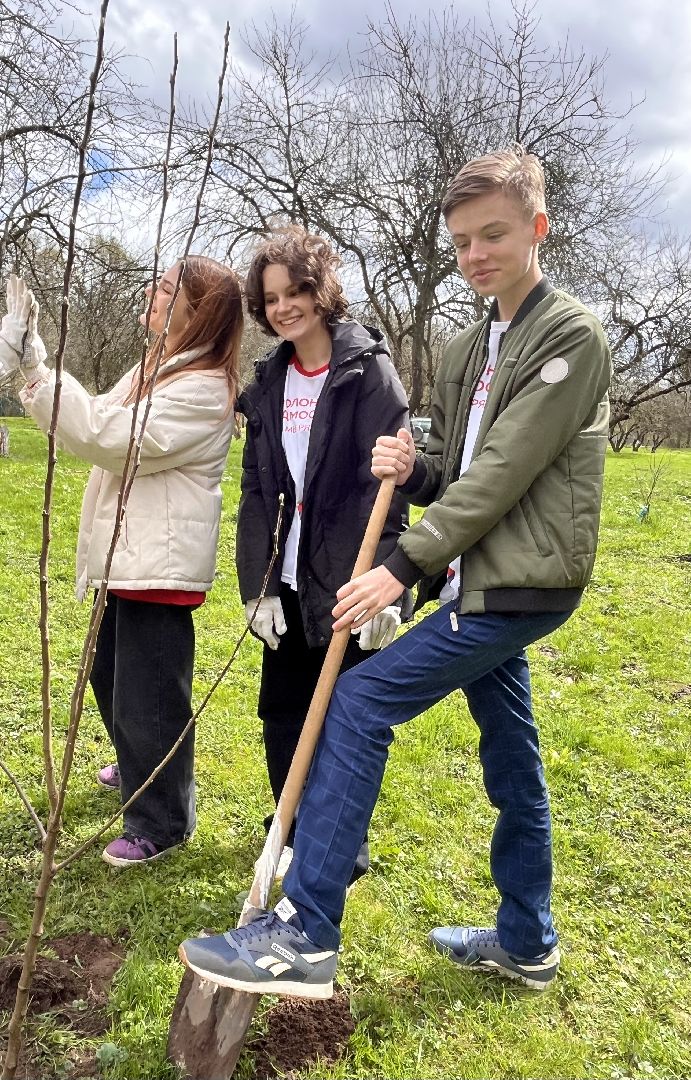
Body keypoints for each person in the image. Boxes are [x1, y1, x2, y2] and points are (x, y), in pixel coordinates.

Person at [179, 147, 611, 996]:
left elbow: (503, 474)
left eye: (494, 234)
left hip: (520, 584)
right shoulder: (463, 345)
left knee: (357, 699)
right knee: (512, 760)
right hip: (475, 577)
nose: (475, 254)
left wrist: (400, 567)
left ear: (537, 228)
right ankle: (527, 940)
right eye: (460, 241)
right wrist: (410, 467)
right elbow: (452, 467)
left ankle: (305, 932)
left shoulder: (569, 336)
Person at [0, 257, 243, 867]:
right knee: (114, 681)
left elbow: (113, 439)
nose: (151, 295)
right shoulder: (156, 369)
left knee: (151, 697)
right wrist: (38, 365)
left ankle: (162, 820)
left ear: (198, 311)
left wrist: (33, 371)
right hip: (129, 560)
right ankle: (141, 765)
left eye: (166, 290)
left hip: (158, 569)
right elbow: (97, 416)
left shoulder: (203, 389)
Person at [236, 225, 410, 883]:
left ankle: (344, 836)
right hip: (283, 574)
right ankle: (289, 822)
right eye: (272, 298)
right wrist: (255, 582)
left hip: (348, 576)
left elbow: (387, 487)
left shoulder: (366, 372)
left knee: (344, 714)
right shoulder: (270, 380)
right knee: (281, 708)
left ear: (320, 290)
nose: (284, 307)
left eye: (296, 291)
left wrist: (389, 583)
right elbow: (255, 486)